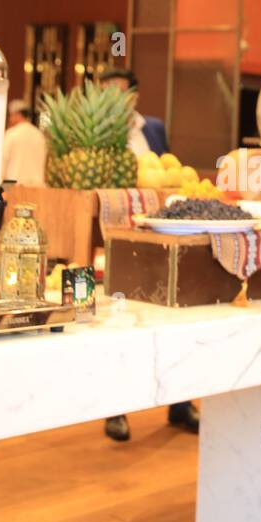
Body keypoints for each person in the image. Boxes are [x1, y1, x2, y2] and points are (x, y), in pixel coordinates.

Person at [94, 68, 197, 442]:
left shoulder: (153, 127)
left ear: (134, 96)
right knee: (121, 320)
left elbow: (168, 169)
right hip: (117, 235)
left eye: (119, 94)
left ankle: (181, 404)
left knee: (173, 314)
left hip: (158, 232)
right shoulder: (100, 134)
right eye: (105, 94)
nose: (112, 101)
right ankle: (116, 411)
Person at [100, 68, 169, 155]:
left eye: (119, 92)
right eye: (104, 93)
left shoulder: (155, 128)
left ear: (134, 97)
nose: (110, 99)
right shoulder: (97, 135)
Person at [2, 99, 48, 188]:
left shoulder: (12, 134)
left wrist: (1, 185)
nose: (10, 119)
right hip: (37, 186)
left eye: (11, 115)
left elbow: (3, 160)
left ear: (18, 115)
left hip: (12, 185)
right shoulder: (39, 135)